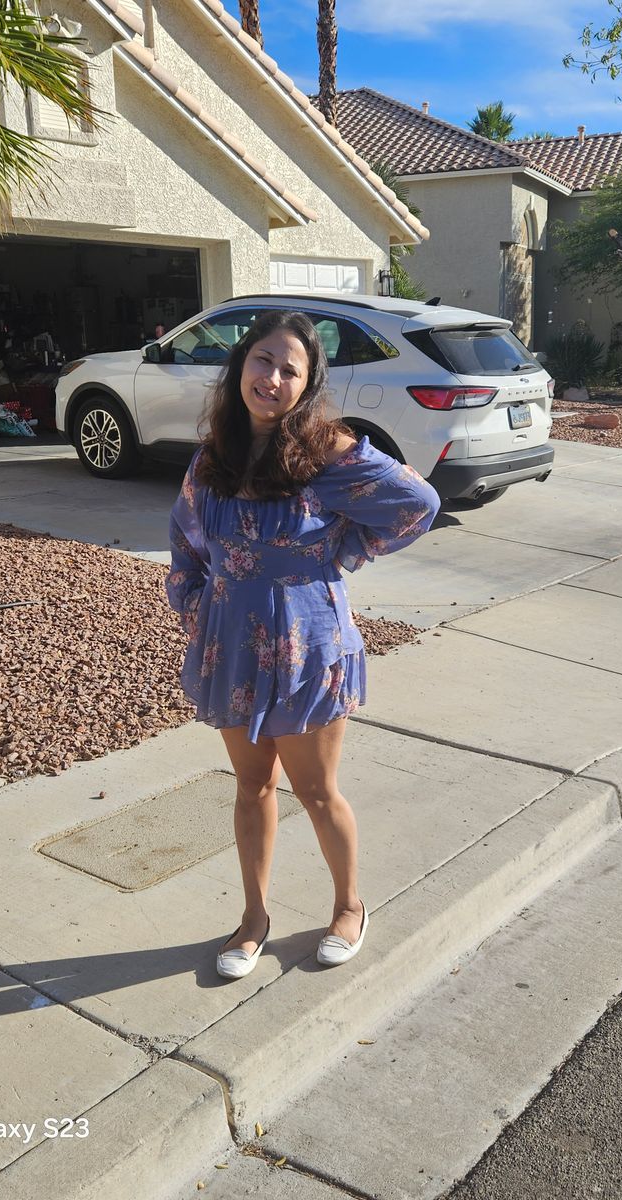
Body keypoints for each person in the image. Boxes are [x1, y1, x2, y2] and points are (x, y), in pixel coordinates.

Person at [166, 310, 440, 979]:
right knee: (252, 787)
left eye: (291, 370)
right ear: (241, 365)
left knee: (316, 792)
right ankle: (254, 918)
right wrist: (199, 606)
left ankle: (349, 906)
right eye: (263, 360)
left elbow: (419, 505)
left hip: (308, 647)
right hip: (233, 646)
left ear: (307, 384)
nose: (273, 378)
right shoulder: (212, 458)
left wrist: (347, 549)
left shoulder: (330, 455)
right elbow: (186, 539)